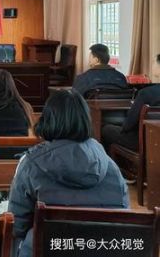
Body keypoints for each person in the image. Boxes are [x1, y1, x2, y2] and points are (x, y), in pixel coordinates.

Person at [8, 89, 129, 257]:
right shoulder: (111, 167)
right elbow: (124, 221)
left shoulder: (30, 164)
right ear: (86, 120)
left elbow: (16, 225)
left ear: (47, 120)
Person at [102, 53, 160, 152]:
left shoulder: (146, 93)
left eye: (154, 62)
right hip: (154, 140)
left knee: (106, 129)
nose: (152, 65)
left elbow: (128, 125)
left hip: (143, 141)